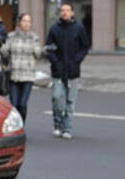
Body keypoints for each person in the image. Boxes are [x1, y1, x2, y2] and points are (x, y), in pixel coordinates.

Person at [46, 2, 89, 139]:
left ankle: (67, 128)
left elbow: (85, 47)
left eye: (67, 10)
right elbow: (49, 48)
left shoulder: (79, 28)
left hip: (73, 71)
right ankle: (57, 124)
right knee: (57, 98)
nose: (64, 12)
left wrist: (76, 61)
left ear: (72, 13)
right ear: (60, 13)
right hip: (58, 71)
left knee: (70, 102)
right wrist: (55, 62)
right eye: (62, 10)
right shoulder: (54, 29)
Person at [0, 13, 43, 123]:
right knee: (14, 104)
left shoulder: (34, 37)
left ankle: (21, 124)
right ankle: (15, 125)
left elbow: (38, 54)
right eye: (24, 21)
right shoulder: (11, 36)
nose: (26, 24)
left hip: (28, 75)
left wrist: (39, 49)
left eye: (29, 21)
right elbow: (5, 53)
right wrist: (2, 47)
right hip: (14, 75)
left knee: (22, 104)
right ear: (19, 23)